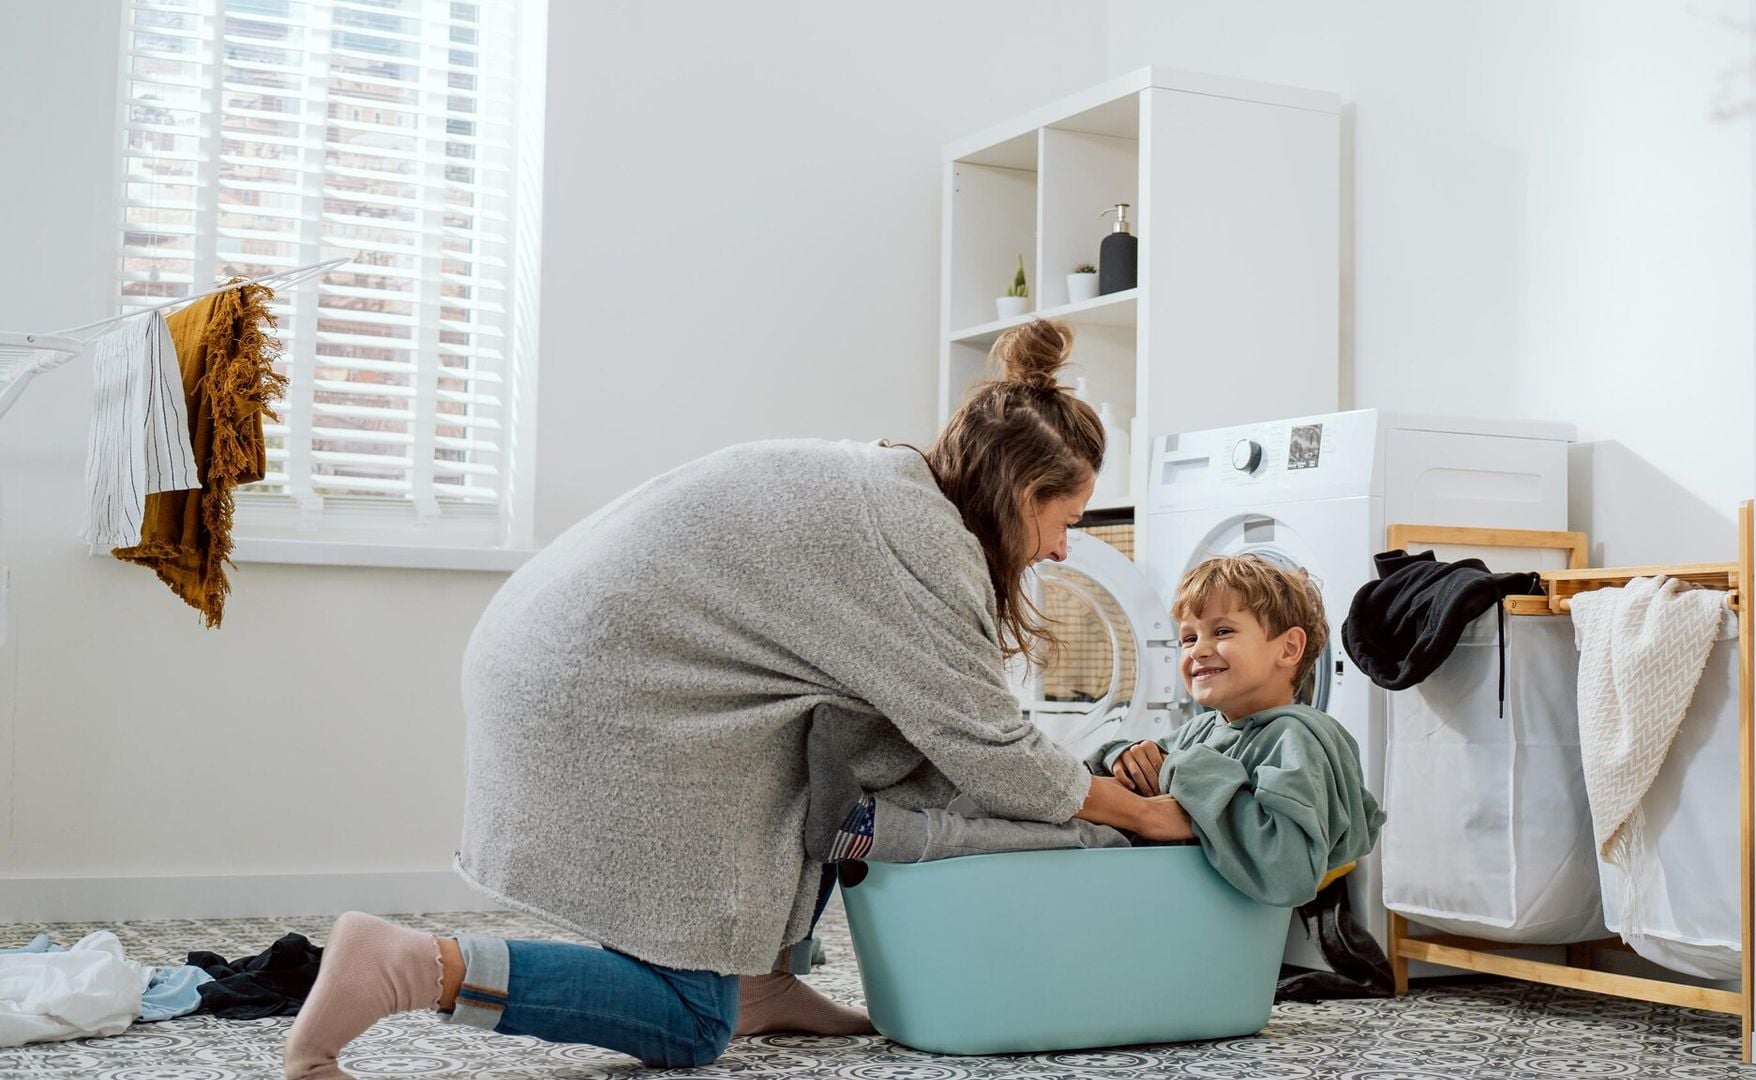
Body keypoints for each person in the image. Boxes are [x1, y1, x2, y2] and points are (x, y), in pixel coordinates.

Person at [280, 319, 1190, 1080]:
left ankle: (761, 980)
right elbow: (992, 750)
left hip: (565, 656)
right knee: (686, 1023)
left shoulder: (896, 491)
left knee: (856, 742)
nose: (1065, 552)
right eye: (1065, 522)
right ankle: (408, 967)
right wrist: (1140, 819)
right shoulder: (923, 550)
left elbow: (898, 736)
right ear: (1021, 494)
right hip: (600, 698)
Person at [1089, 555, 1384, 906]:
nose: (1198, 650)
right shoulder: (1201, 730)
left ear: (1289, 648)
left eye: (1222, 631)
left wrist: (1182, 772)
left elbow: (1290, 874)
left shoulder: (1295, 740)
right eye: (1187, 638)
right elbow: (1157, 766)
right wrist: (1122, 755)